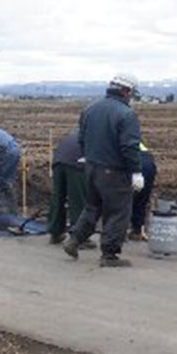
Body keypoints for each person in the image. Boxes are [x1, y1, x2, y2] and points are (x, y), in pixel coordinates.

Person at [63, 73, 144, 267]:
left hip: (91, 168)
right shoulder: (126, 114)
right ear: (126, 91)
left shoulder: (90, 109)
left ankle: (74, 240)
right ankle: (109, 255)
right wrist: (136, 171)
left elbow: (81, 138)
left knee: (92, 207)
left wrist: (88, 155)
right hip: (114, 171)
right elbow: (130, 146)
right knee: (118, 212)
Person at [47, 130, 87, 244]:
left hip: (59, 161)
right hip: (77, 164)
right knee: (78, 199)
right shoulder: (101, 136)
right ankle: (79, 237)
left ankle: (55, 232)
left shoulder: (79, 133)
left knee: (58, 197)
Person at [130, 142, 158, 240]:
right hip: (148, 162)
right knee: (141, 199)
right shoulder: (132, 136)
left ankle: (117, 233)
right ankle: (137, 230)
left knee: (121, 200)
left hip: (134, 161)